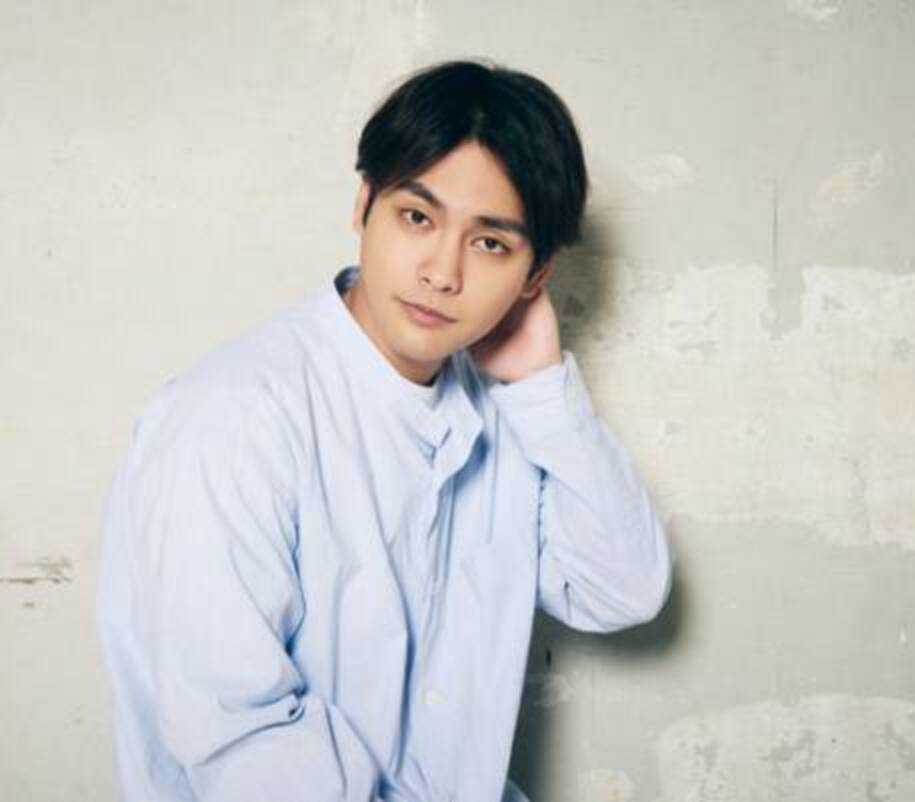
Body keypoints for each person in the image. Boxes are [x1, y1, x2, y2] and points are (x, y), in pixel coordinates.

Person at [97, 58, 673, 802]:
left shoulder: (509, 414)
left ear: (535, 276)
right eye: (417, 218)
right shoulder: (230, 421)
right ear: (364, 202)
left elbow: (621, 591)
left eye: (490, 244)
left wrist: (544, 391)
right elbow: (244, 746)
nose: (442, 272)